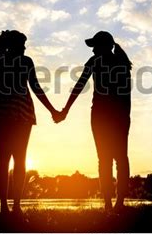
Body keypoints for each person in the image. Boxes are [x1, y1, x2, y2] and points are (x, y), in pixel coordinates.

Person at [56, 31, 132, 210]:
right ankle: (116, 202)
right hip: (118, 116)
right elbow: (126, 95)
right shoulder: (121, 62)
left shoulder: (97, 62)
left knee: (106, 159)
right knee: (120, 158)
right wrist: (125, 116)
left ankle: (110, 203)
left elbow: (79, 85)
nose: (92, 51)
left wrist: (65, 110)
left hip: (102, 116)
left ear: (105, 46)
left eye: (95, 47)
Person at [0, 30, 59, 214]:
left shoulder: (15, 61)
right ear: (12, 45)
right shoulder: (2, 61)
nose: (24, 47)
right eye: (21, 44)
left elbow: (35, 87)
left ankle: (15, 205)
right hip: (8, 114)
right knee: (8, 159)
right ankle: (6, 205)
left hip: (20, 114)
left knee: (17, 159)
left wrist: (52, 110)